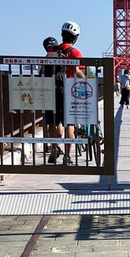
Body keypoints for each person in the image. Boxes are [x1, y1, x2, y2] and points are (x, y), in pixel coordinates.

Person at [49, 20, 84, 163]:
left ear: (62, 35)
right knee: (70, 124)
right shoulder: (75, 52)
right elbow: (77, 71)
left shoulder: (52, 51)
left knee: (55, 122)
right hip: (69, 91)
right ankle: (67, 156)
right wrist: (87, 81)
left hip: (53, 89)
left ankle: (54, 149)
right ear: (75, 38)